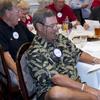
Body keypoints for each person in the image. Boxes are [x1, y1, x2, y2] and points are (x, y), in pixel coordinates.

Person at [26, 8, 100, 100]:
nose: (56, 29)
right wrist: (86, 88)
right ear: (39, 27)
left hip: (75, 85)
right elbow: (56, 79)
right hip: (54, 90)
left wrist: (96, 60)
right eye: (52, 26)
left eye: (56, 24)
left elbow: (78, 53)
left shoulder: (60, 38)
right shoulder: (35, 51)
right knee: (56, 93)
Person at [0, 0, 34, 85]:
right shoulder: (1, 30)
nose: (20, 14)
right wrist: (19, 72)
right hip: (12, 67)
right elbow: (6, 55)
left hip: (28, 62)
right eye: (17, 11)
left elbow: (34, 39)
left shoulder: (20, 25)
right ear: (8, 13)